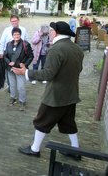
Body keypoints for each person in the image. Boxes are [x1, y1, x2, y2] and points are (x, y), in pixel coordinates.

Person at [12, 21, 84, 160]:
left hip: (55, 96)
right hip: (71, 94)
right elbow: (78, 70)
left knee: (42, 121)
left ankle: (34, 149)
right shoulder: (77, 49)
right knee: (69, 123)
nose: (50, 32)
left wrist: (27, 73)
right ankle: (76, 151)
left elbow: (47, 74)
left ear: (56, 33)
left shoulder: (56, 49)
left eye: (51, 30)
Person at [4, 27, 33, 111]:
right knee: (12, 85)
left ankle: (22, 102)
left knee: (21, 87)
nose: (16, 36)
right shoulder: (9, 44)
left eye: (18, 34)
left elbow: (31, 56)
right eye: (14, 34)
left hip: (20, 69)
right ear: (12, 35)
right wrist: (9, 62)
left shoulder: (25, 44)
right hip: (10, 69)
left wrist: (25, 64)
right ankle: (13, 98)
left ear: (20, 35)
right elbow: (5, 55)